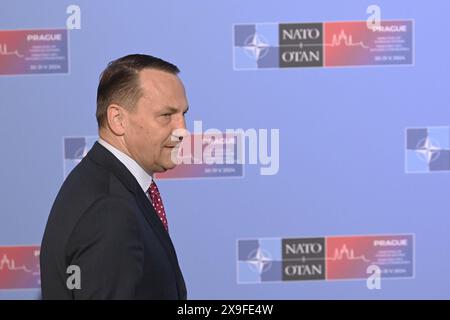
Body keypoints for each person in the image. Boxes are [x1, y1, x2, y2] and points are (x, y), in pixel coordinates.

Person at [40, 54, 189, 299]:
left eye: (184, 114)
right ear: (118, 120)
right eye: (166, 115)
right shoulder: (109, 209)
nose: (182, 130)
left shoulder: (106, 184)